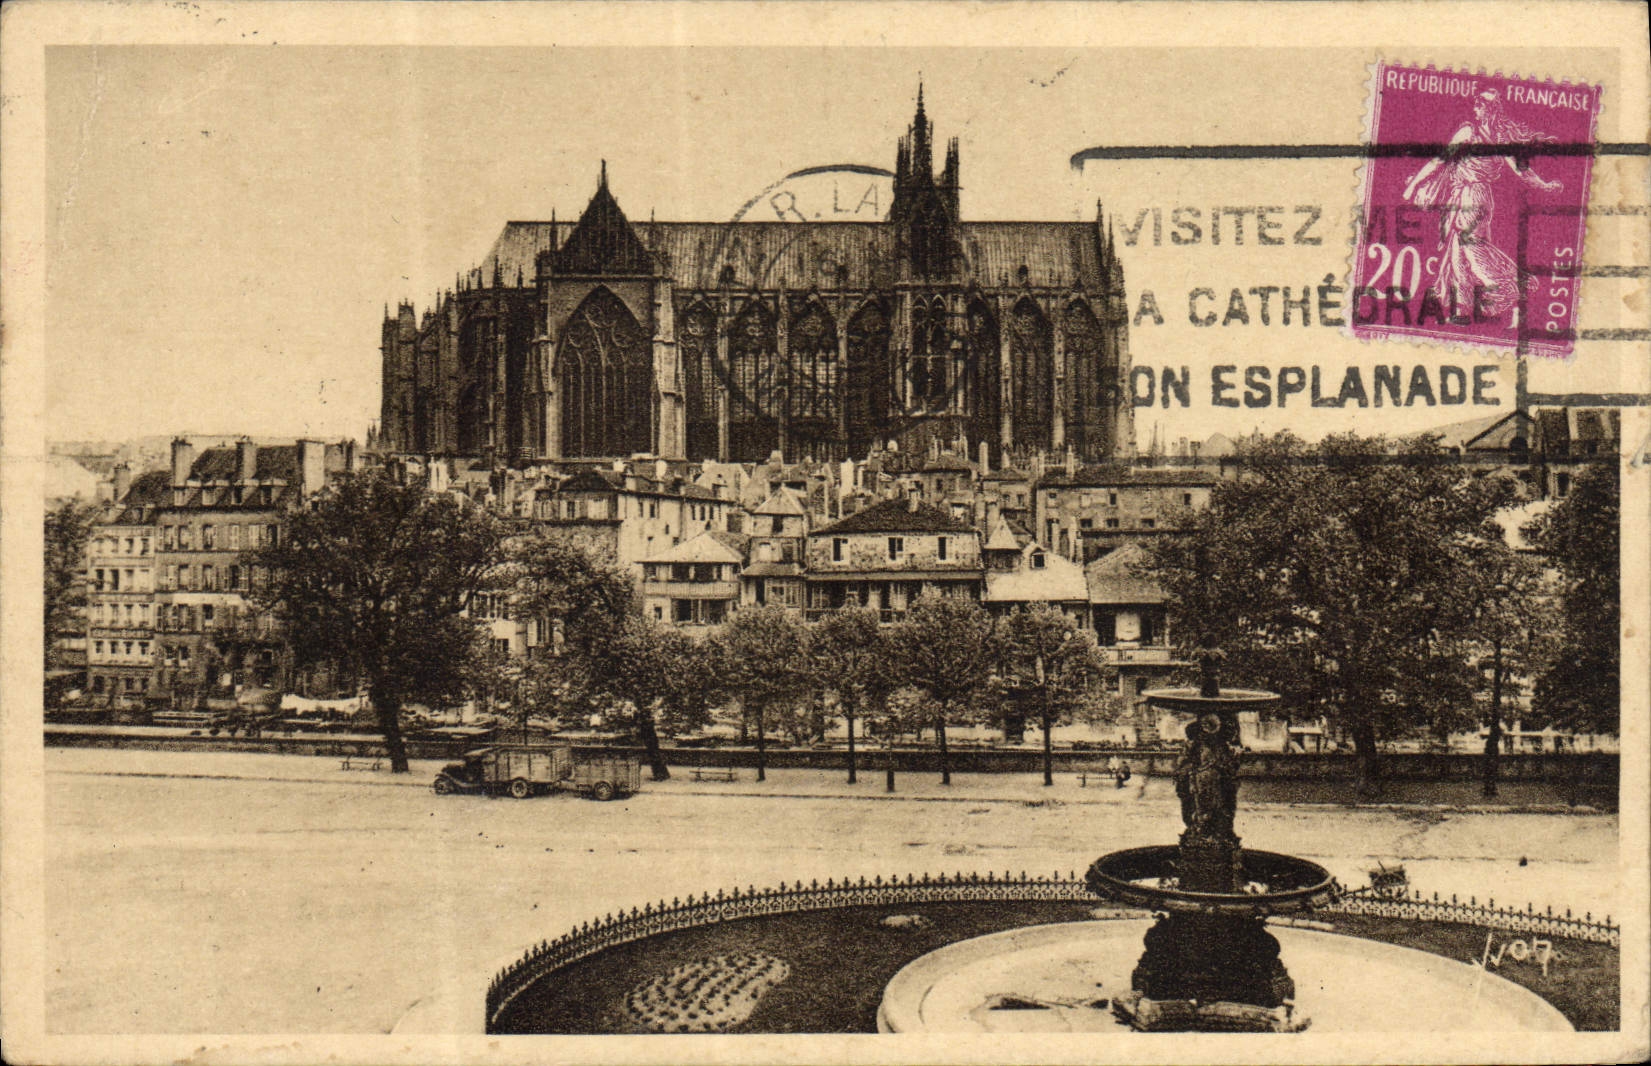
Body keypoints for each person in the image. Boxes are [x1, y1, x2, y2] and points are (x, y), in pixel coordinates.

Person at [1402, 88, 1563, 320]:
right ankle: (1463, 310)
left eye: (1479, 106)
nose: (1475, 109)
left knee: (1470, 245)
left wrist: (1412, 185)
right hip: (1473, 196)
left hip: (1472, 195)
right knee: (1458, 250)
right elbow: (1521, 170)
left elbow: (1441, 161)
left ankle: (1505, 287)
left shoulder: (1476, 133)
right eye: (1476, 105)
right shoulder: (1497, 138)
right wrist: (1544, 185)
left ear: (1489, 111)